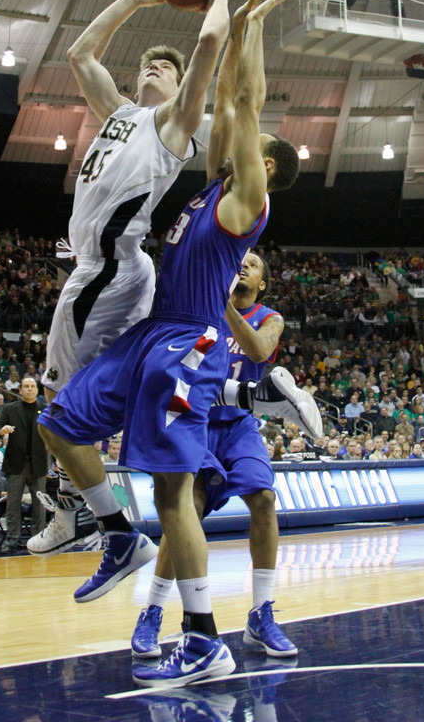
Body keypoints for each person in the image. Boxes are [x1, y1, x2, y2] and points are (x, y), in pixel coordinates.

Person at [37, 0, 300, 688]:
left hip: (194, 345)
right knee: (58, 424)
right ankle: (114, 535)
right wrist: (240, 29)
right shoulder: (212, 184)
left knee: (174, 495)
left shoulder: (249, 200)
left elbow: (245, 100)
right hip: (154, 331)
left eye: (250, 143)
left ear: (265, 165)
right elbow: (236, 108)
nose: (233, 133)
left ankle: (202, 634)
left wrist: (244, 32)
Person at [29, 0, 231, 557]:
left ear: (179, 89)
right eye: (148, 62)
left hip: (108, 269)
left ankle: (87, 518)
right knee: (98, 395)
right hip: (109, 270)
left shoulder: (174, 125)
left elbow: (212, 43)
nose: (154, 68)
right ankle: (96, 509)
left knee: (60, 407)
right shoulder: (119, 114)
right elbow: (79, 53)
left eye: (165, 67)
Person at [131, 251, 298, 661]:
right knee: (189, 508)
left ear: (262, 283)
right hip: (198, 421)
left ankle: (261, 614)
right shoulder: (198, 308)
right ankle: (152, 611)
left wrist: (221, 305)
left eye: (254, 263)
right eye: (241, 258)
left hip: (239, 425)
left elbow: (258, 351)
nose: (244, 263)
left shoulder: (269, 317)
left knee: (264, 499)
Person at [0, 377, 48, 554]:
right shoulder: (9, 409)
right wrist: (1, 431)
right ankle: (11, 540)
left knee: (39, 505)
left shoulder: (46, 409)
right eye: (25, 387)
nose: (29, 389)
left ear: (37, 390)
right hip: (16, 463)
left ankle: (38, 539)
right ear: (20, 390)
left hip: (39, 462)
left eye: (32, 386)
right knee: (13, 504)